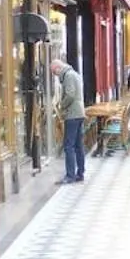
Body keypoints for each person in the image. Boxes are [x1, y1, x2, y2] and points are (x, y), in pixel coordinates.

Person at [50, 56, 85, 185]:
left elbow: (70, 94)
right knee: (78, 145)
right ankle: (80, 172)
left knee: (68, 145)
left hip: (72, 114)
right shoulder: (73, 73)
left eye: (54, 72)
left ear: (58, 68)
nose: (55, 75)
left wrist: (61, 106)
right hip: (79, 113)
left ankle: (70, 175)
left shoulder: (68, 76)